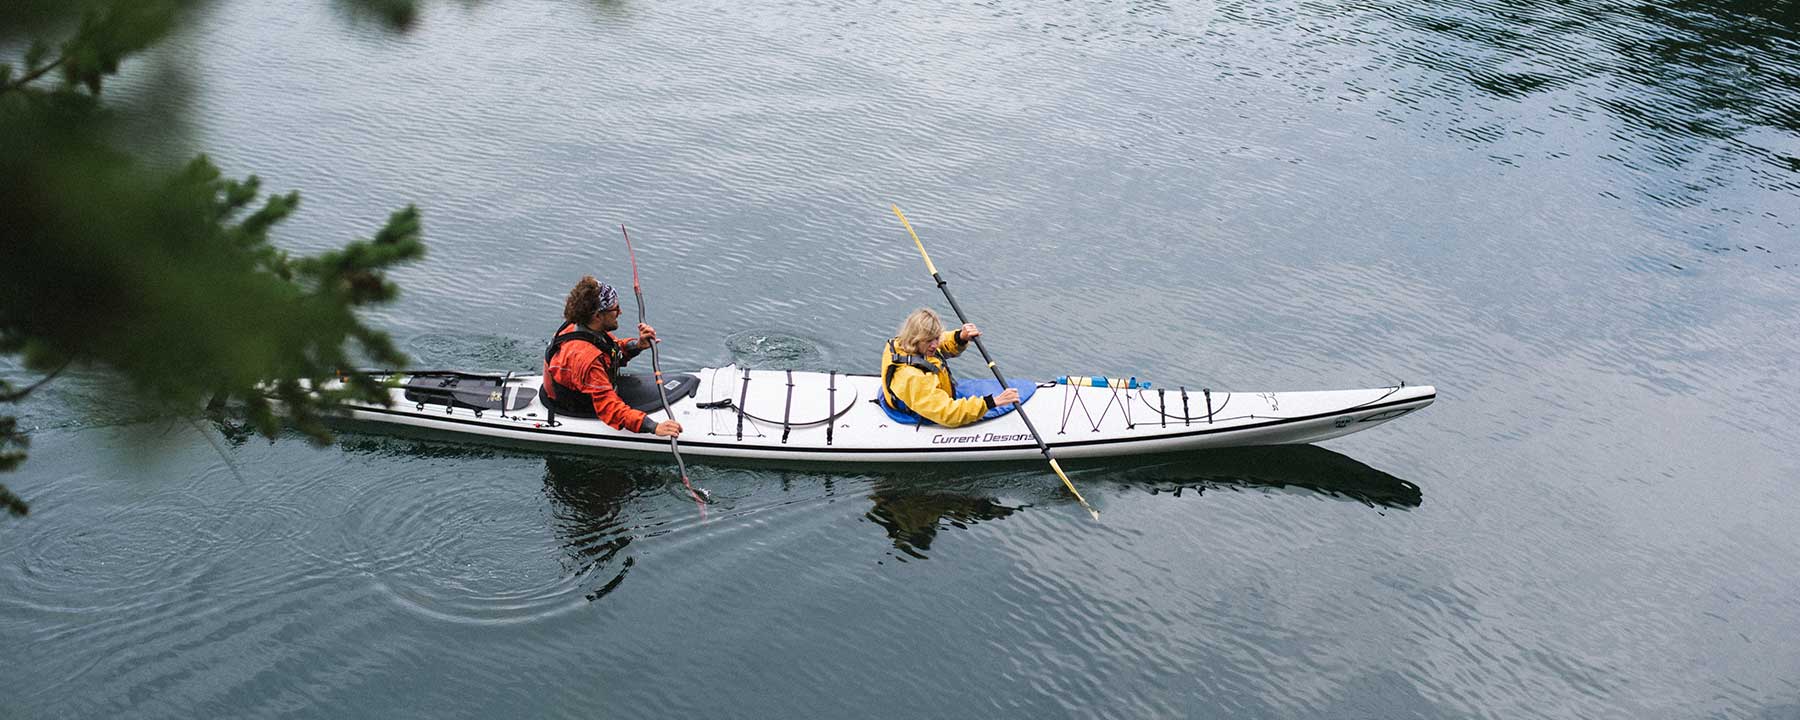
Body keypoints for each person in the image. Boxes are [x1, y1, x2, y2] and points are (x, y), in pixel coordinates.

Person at [541, 276, 682, 437]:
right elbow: (609, 407)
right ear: (597, 316)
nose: (620, 312)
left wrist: (637, 345)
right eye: (615, 309)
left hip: (590, 387)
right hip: (580, 406)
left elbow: (610, 351)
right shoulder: (586, 358)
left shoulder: (581, 326)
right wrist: (653, 427)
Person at [879, 308, 1021, 427]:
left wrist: (960, 337)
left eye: (936, 338)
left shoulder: (904, 343)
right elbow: (947, 413)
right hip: (926, 409)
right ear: (916, 339)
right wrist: (992, 402)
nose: (935, 344)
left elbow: (942, 341)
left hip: (926, 395)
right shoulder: (911, 377)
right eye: (929, 341)